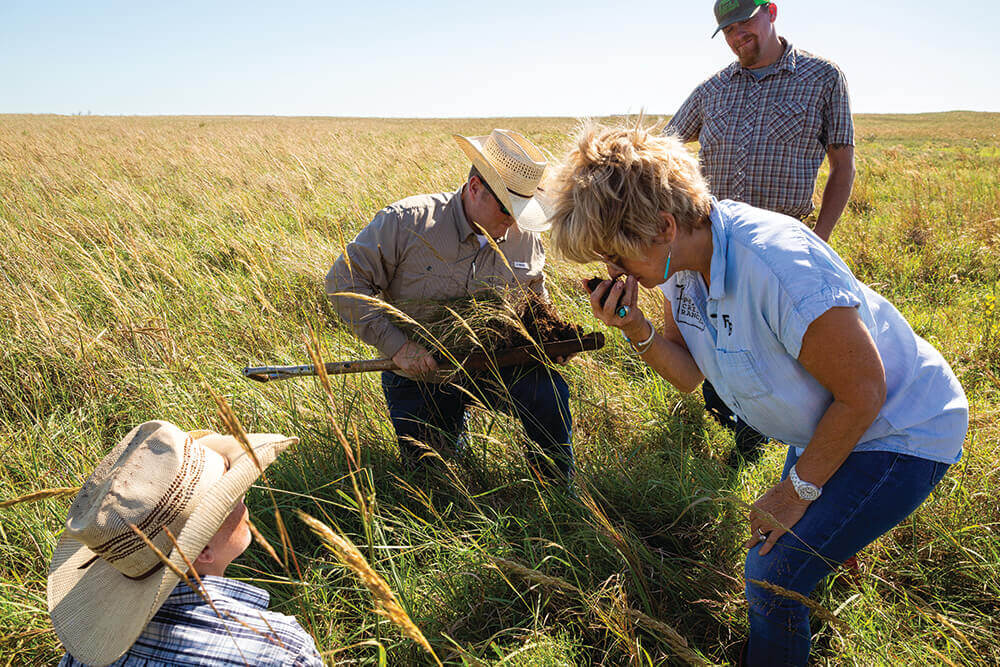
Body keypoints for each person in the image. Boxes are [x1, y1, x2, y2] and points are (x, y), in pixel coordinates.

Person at [546, 123, 967, 666]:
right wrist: (634, 328)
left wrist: (796, 492)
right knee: (800, 548)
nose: (612, 272)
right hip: (831, 420)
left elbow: (864, 392)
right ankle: (821, 587)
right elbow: (689, 375)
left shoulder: (778, 266)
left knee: (771, 575)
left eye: (616, 257)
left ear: (664, 226)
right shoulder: (677, 266)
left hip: (900, 428)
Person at [666, 0, 856, 463]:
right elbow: (664, 146)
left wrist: (820, 238)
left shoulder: (822, 77)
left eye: (744, 23)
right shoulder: (712, 89)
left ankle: (762, 435)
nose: (736, 36)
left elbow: (842, 166)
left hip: (781, 250)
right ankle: (731, 410)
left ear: (771, 11)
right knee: (718, 340)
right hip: (714, 248)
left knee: (775, 351)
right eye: (727, 30)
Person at [325, 129, 574, 482]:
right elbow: (342, 284)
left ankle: (558, 490)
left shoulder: (525, 239)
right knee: (433, 481)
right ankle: (451, 435)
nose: (514, 221)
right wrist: (399, 347)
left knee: (549, 393)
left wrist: (550, 342)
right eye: (507, 208)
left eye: (522, 210)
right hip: (421, 373)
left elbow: (536, 303)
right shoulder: (405, 222)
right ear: (475, 188)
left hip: (497, 363)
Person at [49, 420, 322, 666]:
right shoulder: (280, 649)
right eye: (232, 499)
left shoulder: (88, 653)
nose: (244, 502)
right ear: (202, 549)